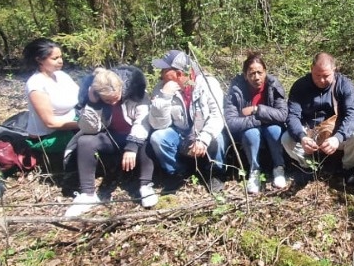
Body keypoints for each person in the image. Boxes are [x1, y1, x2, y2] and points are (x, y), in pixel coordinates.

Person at [65, 66, 156, 217]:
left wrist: (132, 147)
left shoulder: (137, 94)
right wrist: (93, 104)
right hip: (111, 137)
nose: (112, 103)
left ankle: (145, 185)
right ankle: (88, 194)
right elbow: (89, 129)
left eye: (115, 98)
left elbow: (142, 123)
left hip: (135, 136)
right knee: (85, 141)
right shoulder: (95, 99)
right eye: (107, 100)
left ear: (121, 88)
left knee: (146, 140)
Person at [148, 50, 227, 193]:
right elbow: (158, 125)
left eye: (164, 70)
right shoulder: (161, 88)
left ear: (179, 74)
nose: (160, 74)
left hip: (203, 132)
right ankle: (178, 173)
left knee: (218, 137)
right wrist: (165, 97)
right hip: (180, 133)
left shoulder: (207, 84)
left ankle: (215, 173)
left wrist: (203, 138)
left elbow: (217, 116)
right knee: (157, 138)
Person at [281, 52, 354, 180]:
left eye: (326, 76)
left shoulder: (344, 85)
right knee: (286, 139)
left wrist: (338, 138)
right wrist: (301, 137)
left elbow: (352, 114)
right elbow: (292, 116)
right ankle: (307, 166)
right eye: (317, 75)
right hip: (309, 131)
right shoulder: (300, 86)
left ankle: (348, 167)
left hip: (336, 131)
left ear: (334, 70)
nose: (321, 80)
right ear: (311, 69)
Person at [224, 53, 289, 194]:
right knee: (251, 133)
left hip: (270, 128)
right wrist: (259, 119)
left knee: (275, 130)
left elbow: (283, 114)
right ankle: (254, 171)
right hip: (247, 130)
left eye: (260, 72)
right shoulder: (236, 90)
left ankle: (279, 168)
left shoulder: (273, 85)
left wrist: (256, 110)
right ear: (245, 75)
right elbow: (231, 122)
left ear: (265, 72)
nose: (257, 77)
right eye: (252, 73)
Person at [22, 38, 79, 153]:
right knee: (89, 141)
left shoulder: (61, 75)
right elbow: (50, 123)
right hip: (49, 137)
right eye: (55, 58)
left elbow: (81, 96)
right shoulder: (36, 84)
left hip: (72, 124)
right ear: (39, 60)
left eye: (61, 57)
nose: (60, 61)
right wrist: (82, 125)